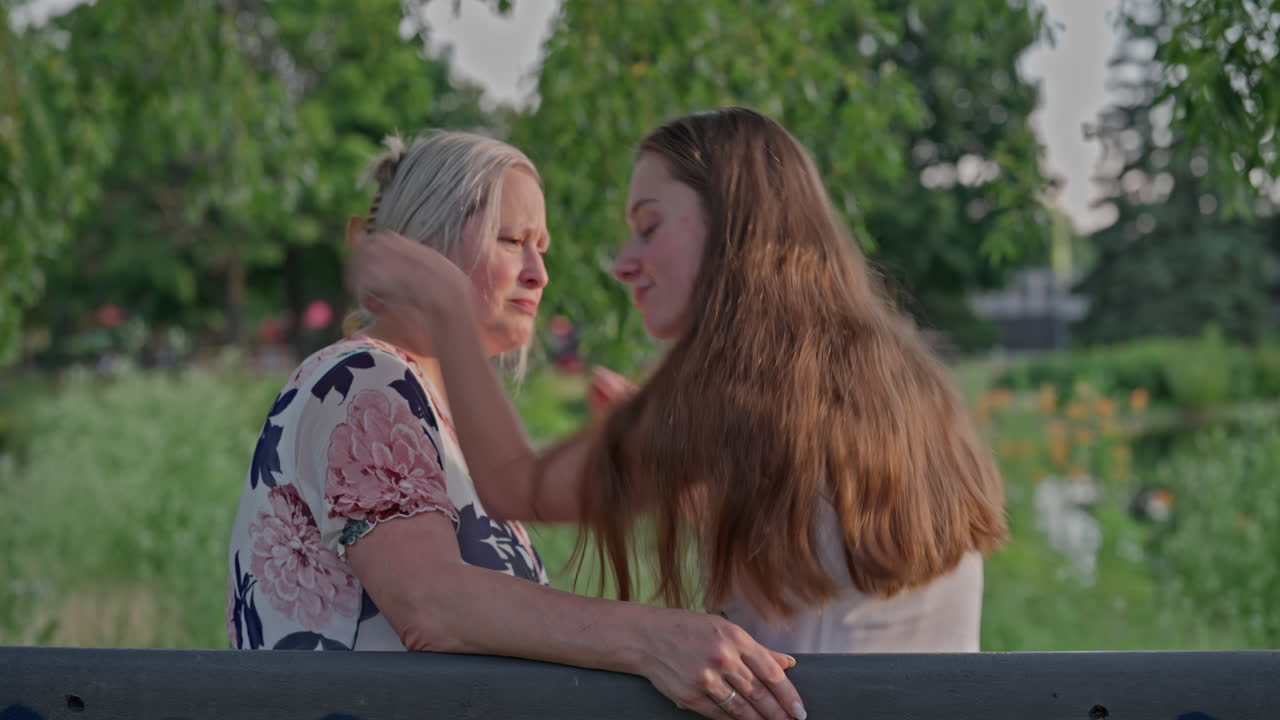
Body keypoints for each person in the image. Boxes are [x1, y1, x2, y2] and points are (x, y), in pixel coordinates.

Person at [347, 108, 1009, 656]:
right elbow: (830, 570)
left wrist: (447, 307)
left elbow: (513, 487)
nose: (625, 263)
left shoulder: (727, 393)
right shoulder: (897, 381)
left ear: (733, 226)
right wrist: (692, 480)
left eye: (649, 227)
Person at [226, 130, 806, 720]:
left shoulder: (427, 407)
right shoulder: (364, 378)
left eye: (542, 247)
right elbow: (431, 604)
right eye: (513, 241)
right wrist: (653, 639)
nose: (539, 273)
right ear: (425, 246)